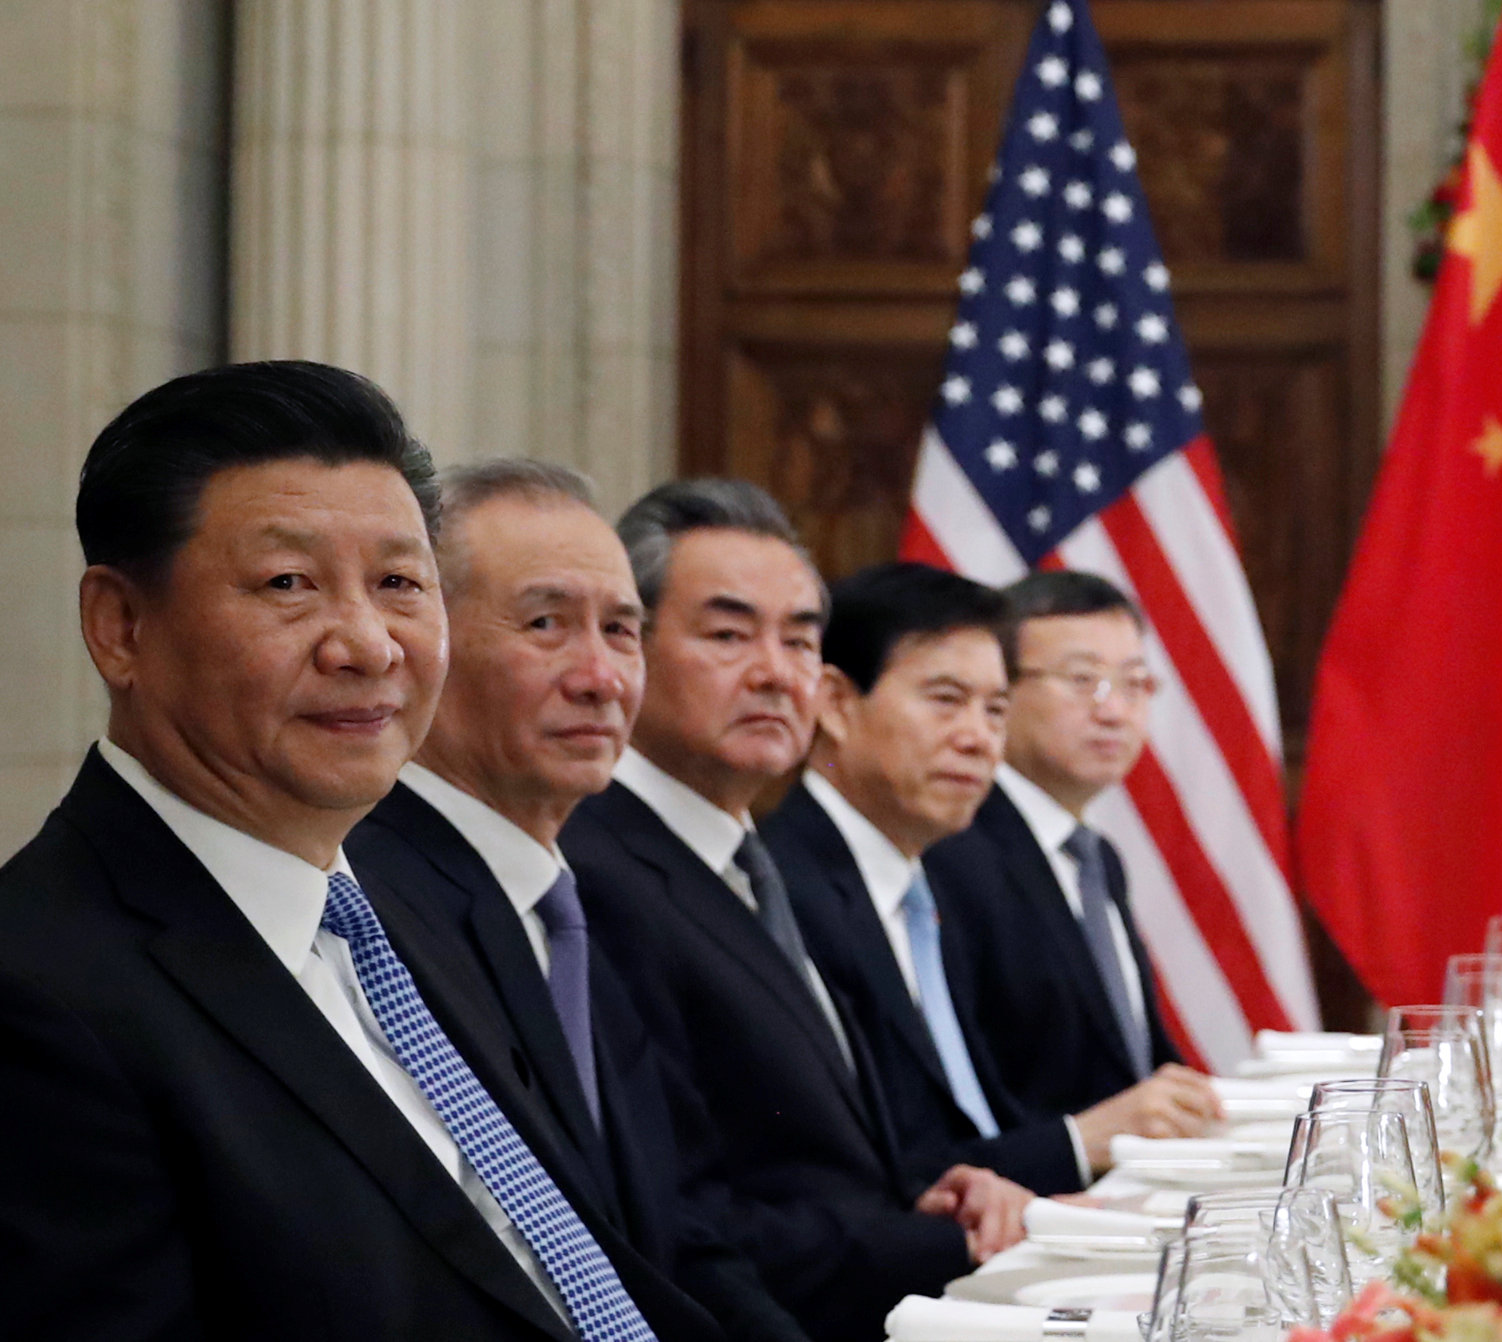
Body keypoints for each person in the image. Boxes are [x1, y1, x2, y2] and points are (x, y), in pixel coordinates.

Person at [0, 360, 717, 1340]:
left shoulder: (408, 904)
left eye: (398, 584)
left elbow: (573, 1265)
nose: (369, 645)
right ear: (120, 626)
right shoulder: (41, 992)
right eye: (289, 584)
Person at [347, 456, 808, 1342]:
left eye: (623, 630)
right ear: (424, 641)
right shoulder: (372, 902)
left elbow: (667, 1230)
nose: (601, 677)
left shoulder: (568, 897)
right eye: (546, 624)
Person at [562, 479, 1028, 1342]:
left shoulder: (758, 858)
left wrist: (947, 1195)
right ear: (630, 645)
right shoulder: (589, 873)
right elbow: (684, 1222)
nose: (777, 673)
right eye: (729, 635)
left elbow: (818, 1157)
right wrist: (941, 1243)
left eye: (801, 640)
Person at [764, 561, 1159, 1191]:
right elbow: (869, 1174)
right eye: (947, 701)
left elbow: (974, 1122)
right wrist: (1074, 1146)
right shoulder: (781, 888)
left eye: (995, 710)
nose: (979, 739)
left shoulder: (918, 884)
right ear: (836, 704)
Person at [924, 569, 1222, 1132]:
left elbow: (1139, 1068)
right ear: (1001, 690)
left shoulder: (1096, 858)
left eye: (1134, 684)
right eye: (1082, 679)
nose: (1114, 711)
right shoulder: (951, 851)